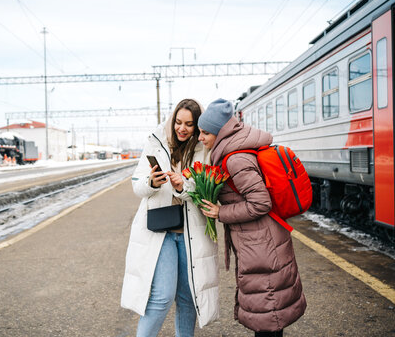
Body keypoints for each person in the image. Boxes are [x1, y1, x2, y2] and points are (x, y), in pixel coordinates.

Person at [197, 98, 306, 337]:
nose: (200, 138)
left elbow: (260, 202)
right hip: (262, 242)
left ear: (219, 132)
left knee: (268, 315)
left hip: (261, 246)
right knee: (270, 313)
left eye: (204, 132)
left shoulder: (235, 159)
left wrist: (221, 212)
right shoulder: (235, 151)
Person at [121, 99, 220, 337]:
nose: (182, 129)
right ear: (172, 119)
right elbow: (137, 185)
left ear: (197, 126)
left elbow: (207, 189)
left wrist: (182, 186)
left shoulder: (204, 148)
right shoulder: (156, 142)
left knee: (188, 299)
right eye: (178, 122)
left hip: (191, 233)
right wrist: (151, 183)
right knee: (161, 297)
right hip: (161, 231)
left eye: (189, 124)